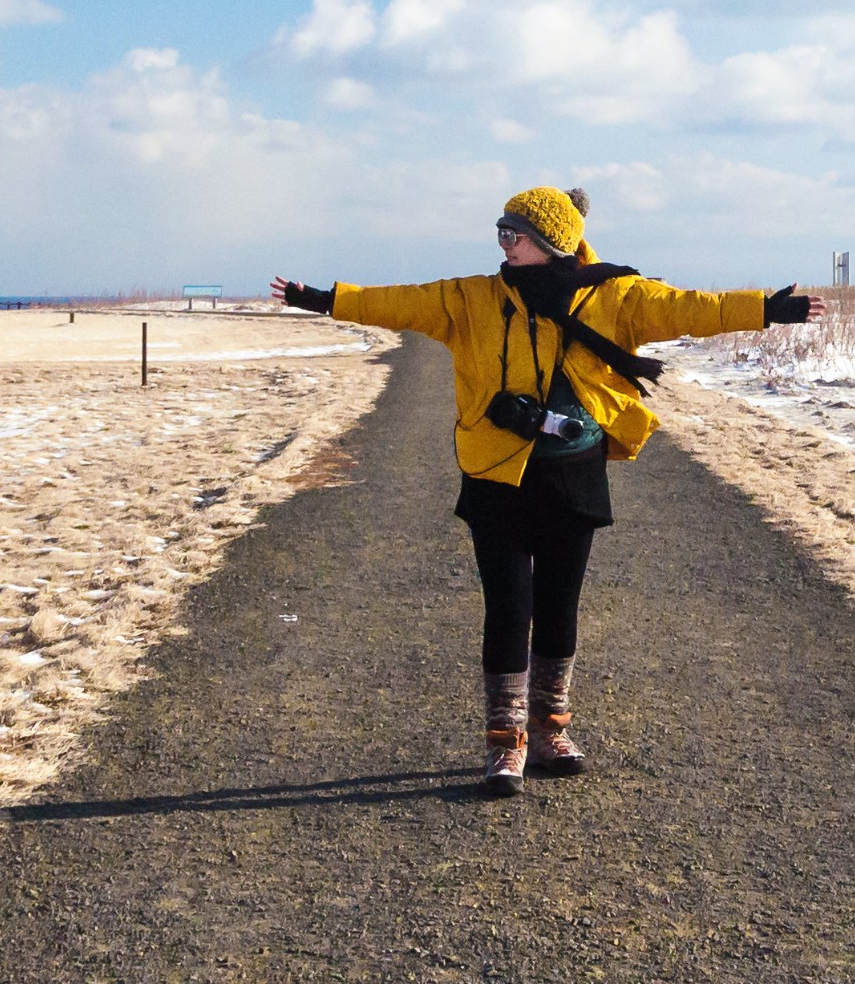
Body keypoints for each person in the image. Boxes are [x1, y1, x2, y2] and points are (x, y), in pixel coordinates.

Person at [272, 187, 824, 796]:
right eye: (500, 233)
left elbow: (688, 308)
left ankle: (552, 725)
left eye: (515, 235)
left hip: (572, 469)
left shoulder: (612, 295)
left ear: (551, 242)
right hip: (497, 472)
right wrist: (323, 300)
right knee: (509, 606)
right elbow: (399, 302)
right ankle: (505, 742)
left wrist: (764, 310)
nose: (503, 245)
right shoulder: (473, 298)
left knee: (560, 603)